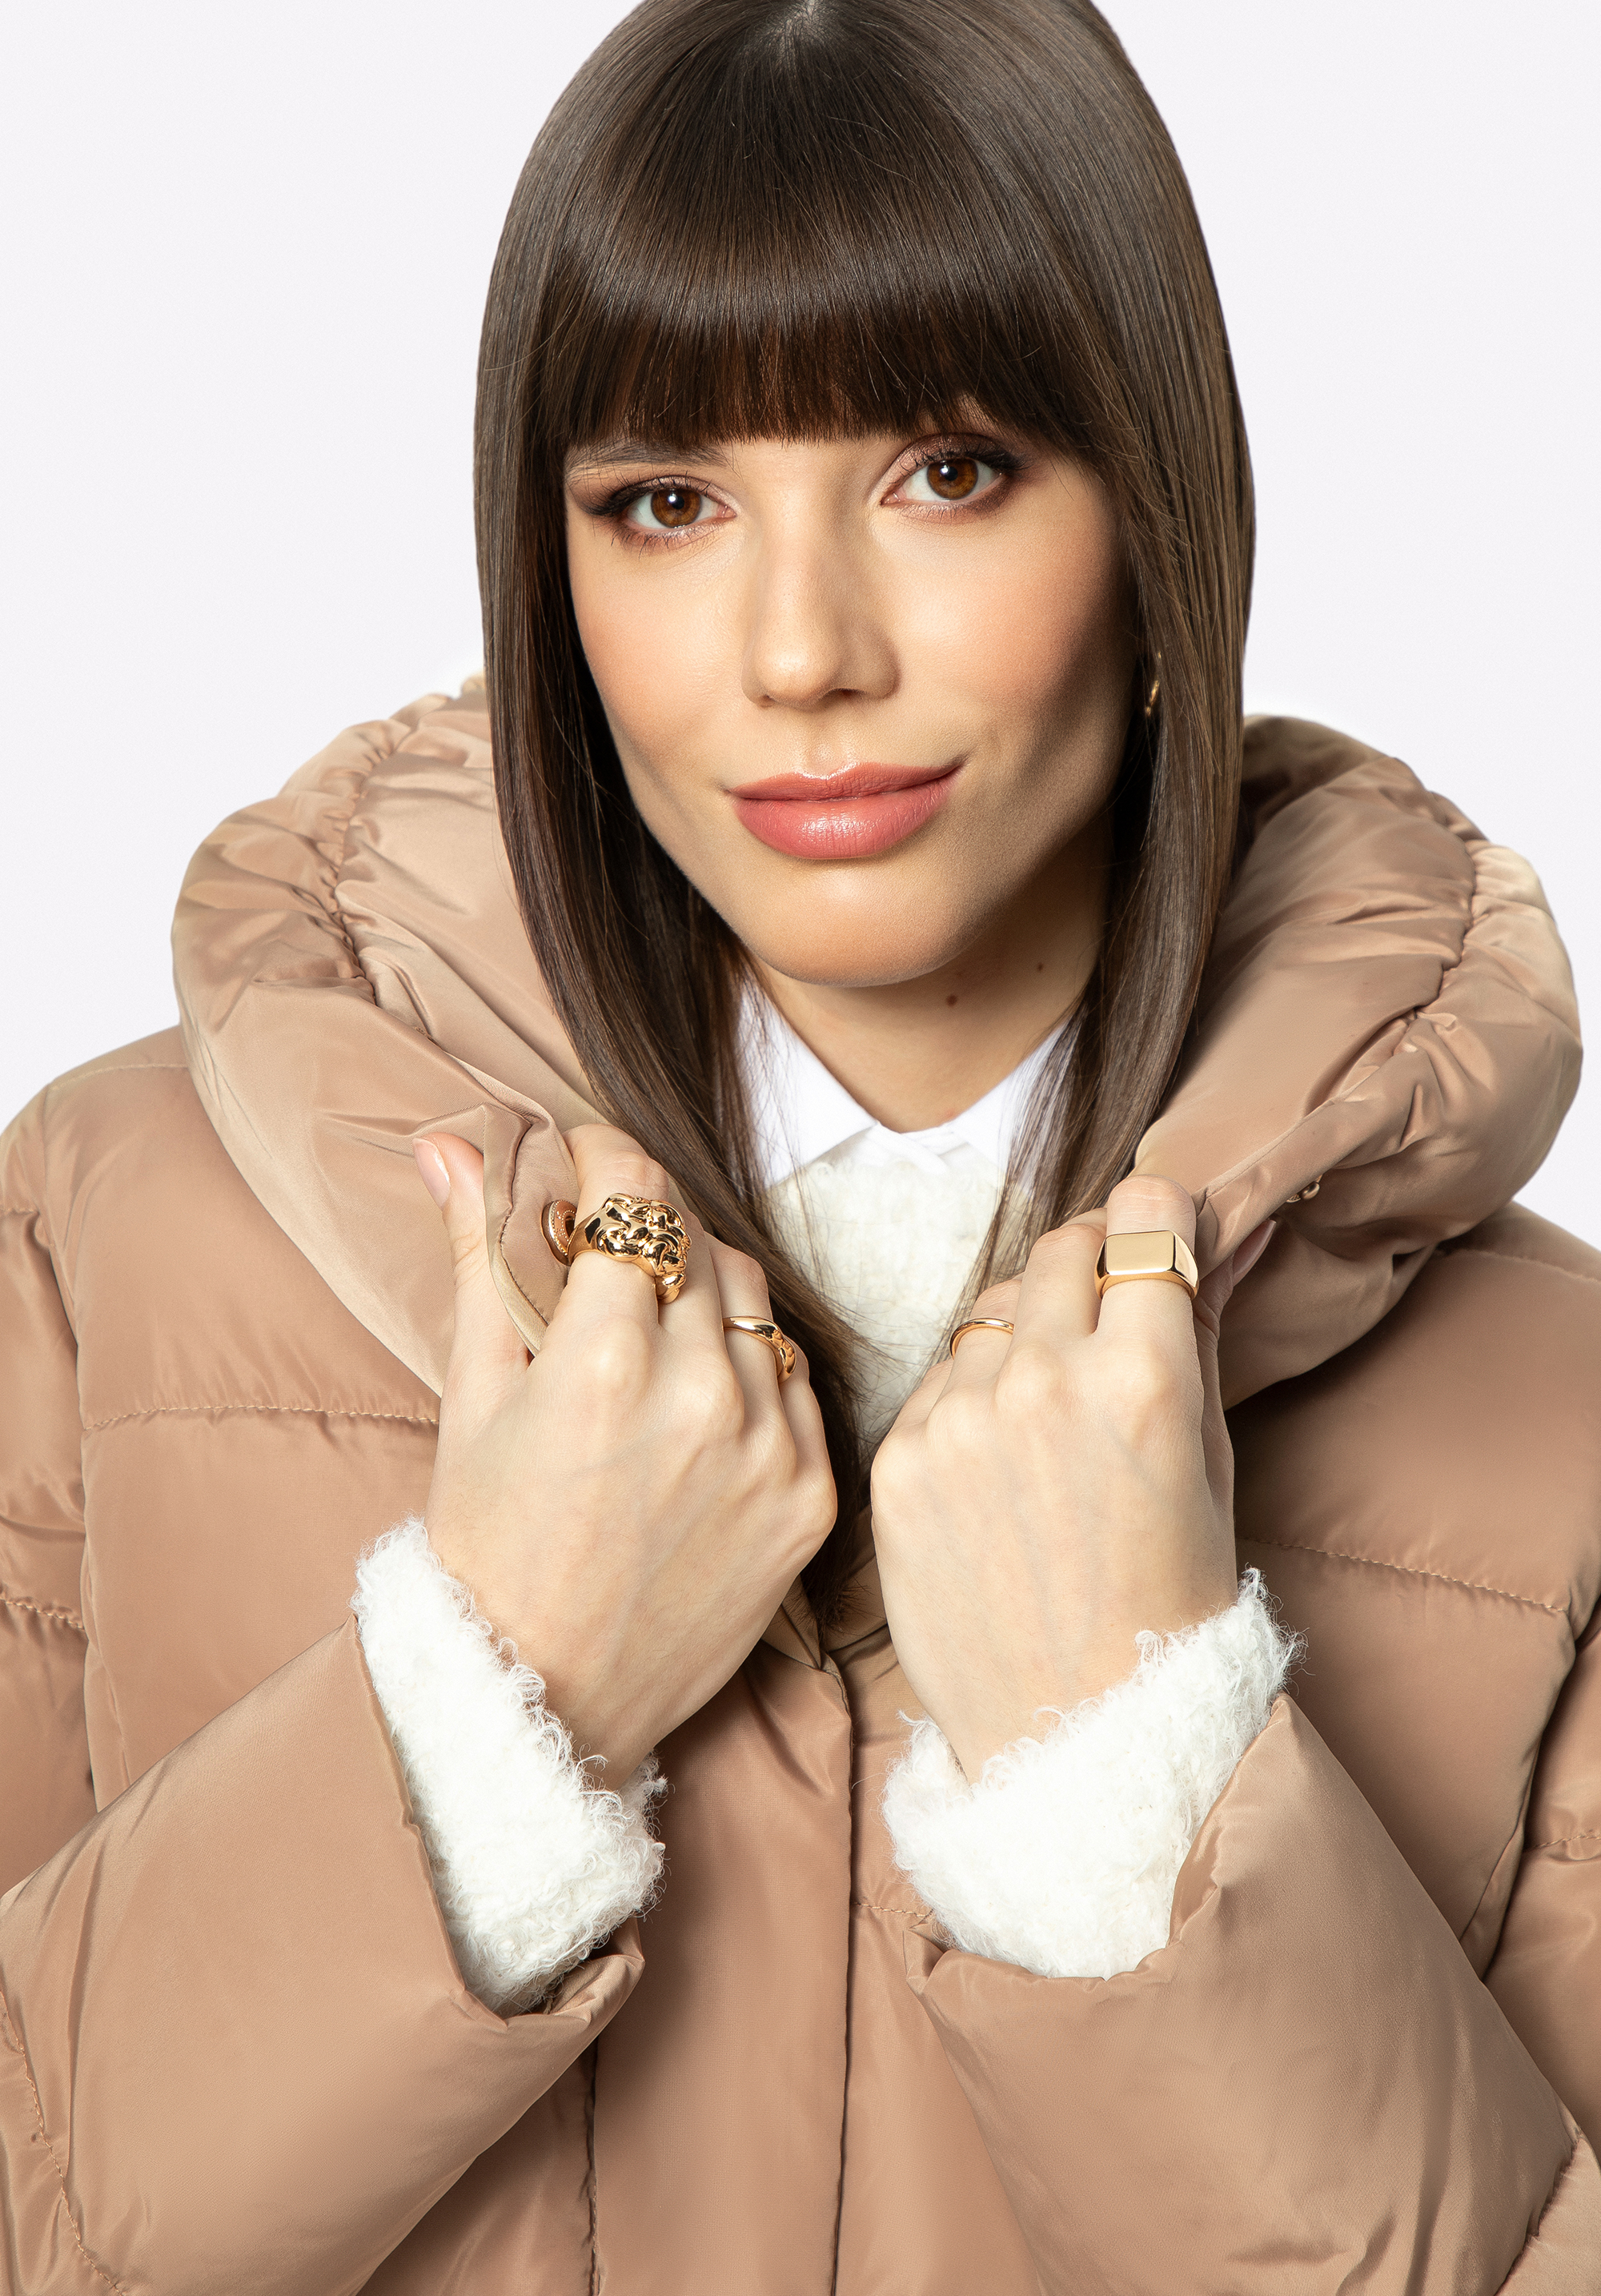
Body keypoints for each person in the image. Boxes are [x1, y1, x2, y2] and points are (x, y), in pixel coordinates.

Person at [1, 0, 1596, 2287]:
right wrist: (483, 1699)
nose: (799, 650)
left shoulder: (1557, 1426)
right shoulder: (106, 1244)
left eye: (946, 470)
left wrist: (1130, 1773)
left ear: (1163, 529)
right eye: (667, 502)